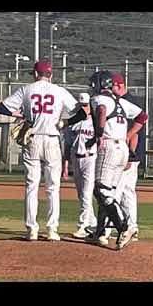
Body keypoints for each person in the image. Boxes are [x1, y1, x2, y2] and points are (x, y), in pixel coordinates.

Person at [0, 59, 85, 242]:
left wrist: (20, 114)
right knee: (53, 188)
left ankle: (32, 229)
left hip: (33, 138)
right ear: (51, 75)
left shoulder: (26, 90)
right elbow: (82, 113)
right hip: (52, 139)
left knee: (31, 186)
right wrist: (65, 122)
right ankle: (52, 229)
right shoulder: (58, 90)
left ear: (35, 74)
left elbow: (1, 107)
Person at [85, 70, 148, 250]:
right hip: (121, 147)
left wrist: (98, 133)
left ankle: (124, 226)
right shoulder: (120, 101)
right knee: (107, 192)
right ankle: (101, 231)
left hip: (110, 147)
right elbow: (143, 117)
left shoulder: (100, 99)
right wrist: (127, 135)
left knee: (102, 190)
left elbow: (102, 110)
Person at [112, 72, 144, 242]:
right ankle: (131, 226)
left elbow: (134, 133)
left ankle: (121, 227)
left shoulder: (127, 102)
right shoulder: (125, 101)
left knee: (120, 191)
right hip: (127, 153)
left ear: (119, 86)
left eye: (111, 86)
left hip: (128, 154)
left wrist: (129, 155)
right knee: (125, 192)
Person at [62, 92, 97, 239]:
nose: (84, 108)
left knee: (87, 194)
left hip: (90, 159)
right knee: (81, 194)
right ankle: (93, 223)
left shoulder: (96, 122)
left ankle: (82, 226)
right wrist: (65, 166)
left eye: (86, 105)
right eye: (81, 105)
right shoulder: (73, 122)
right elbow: (68, 145)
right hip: (76, 159)